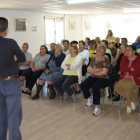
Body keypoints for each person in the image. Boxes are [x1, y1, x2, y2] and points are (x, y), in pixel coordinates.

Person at [0, 17, 26, 140]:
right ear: (6, 30)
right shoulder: (10, 42)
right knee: (14, 117)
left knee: (1, 116)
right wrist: (14, 58)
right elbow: (22, 58)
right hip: (11, 83)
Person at [80, 45, 110, 116]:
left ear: (103, 52)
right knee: (83, 85)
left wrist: (93, 71)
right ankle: (89, 97)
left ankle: (97, 107)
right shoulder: (93, 58)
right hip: (93, 76)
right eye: (97, 50)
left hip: (104, 78)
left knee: (95, 87)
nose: (97, 51)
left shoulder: (106, 59)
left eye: (99, 50)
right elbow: (88, 69)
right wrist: (97, 70)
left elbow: (104, 72)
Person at [114, 45, 140, 113]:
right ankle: (130, 101)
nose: (127, 51)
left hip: (135, 78)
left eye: (129, 50)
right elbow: (122, 68)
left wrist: (128, 72)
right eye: (126, 50)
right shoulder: (124, 58)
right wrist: (131, 69)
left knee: (128, 85)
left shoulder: (138, 59)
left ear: (134, 51)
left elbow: (138, 71)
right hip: (124, 78)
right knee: (126, 85)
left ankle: (128, 104)